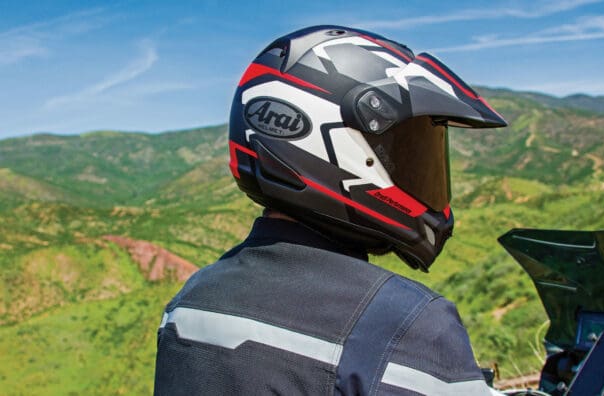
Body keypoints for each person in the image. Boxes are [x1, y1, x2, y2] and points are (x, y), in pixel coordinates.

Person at [154, 25, 507, 395]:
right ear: (332, 142)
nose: (418, 172)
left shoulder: (190, 300)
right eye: (403, 151)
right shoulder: (404, 323)